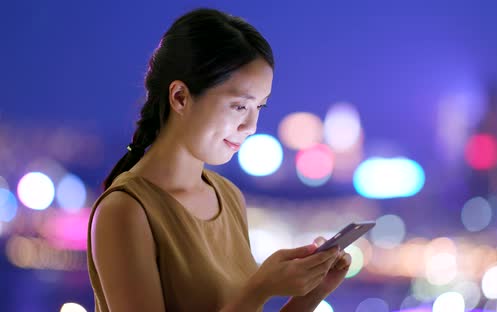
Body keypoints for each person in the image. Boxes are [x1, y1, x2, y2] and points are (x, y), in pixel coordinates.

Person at [87, 8, 352, 312]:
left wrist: (312, 294)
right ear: (180, 98)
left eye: (259, 108)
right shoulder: (126, 210)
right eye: (239, 106)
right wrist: (261, 287)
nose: (250, 126)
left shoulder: (228, 196)